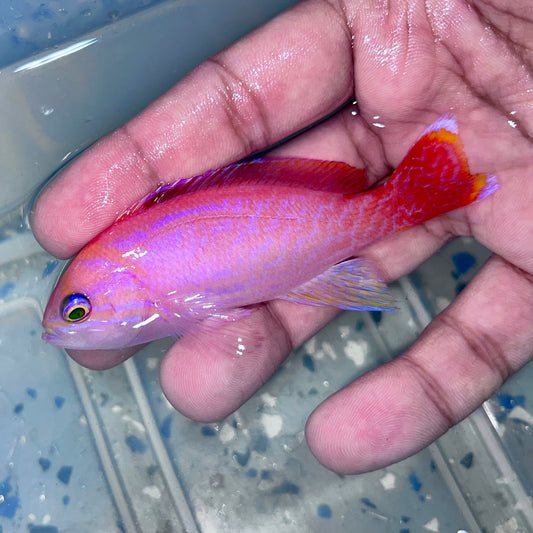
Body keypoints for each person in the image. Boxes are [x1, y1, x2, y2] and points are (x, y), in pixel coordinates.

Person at [31, 0, 532, 474]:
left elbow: (214, 310)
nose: (73, 322)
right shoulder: (135, 271)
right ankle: (428, 189)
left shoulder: (143, 275)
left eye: (79, 310)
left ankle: (426, 190)